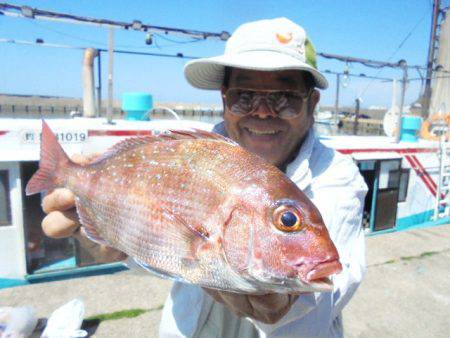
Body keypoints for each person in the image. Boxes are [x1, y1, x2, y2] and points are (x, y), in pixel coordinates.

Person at [41, 18, 367, 338]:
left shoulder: (338, 177)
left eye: (285, 98)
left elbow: (337, 286)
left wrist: (289, 305)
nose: (264, 112)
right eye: (244, 96)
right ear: (225, 100)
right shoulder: (192, 155)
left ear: (312, 105)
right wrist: (110, 242)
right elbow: (163, 250)